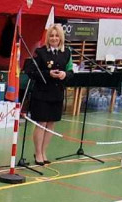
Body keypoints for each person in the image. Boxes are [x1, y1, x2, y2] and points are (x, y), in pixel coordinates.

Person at [25, 24, 73, 165]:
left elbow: (71, 71)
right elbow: (31, 71)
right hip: (42, 93)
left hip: (57, 93)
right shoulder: (40, 52)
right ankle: (38, 152)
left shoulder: (67, 53)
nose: (54, 38)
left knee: (51, 123)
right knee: (42, 122)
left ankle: (44, 151)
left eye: (57, 35)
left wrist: (65, 74)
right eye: (51, 35)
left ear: (61, 38)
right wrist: (48, 74)